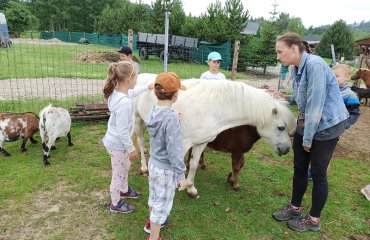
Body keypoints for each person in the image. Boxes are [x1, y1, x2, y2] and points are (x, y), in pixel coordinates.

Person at [273, 32, 349, 232]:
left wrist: (307, 139)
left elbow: (316, 105)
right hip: (308, 122)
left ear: (293, 48)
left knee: (317, 173)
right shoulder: (297, 67)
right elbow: (304, 98)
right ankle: (295, 207)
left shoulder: (314, 65)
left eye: (280, 52)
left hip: (326, 125)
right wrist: (284, 97)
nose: (278, 57)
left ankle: (314, 220)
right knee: (299, 168)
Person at [102, 61, 154, 213]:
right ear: (130, 79)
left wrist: (147, 87)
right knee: (118, 174)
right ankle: (115, 203)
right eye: (136, 77)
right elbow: (122, 132)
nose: (137, 80)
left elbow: (132, 92)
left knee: (126, 166)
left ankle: (124, 190)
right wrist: (131, 149)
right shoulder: (124, 103)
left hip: (117, 143)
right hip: (118, 144)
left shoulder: (118, 93)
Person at [143, 72, 189, 240]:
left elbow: (162, 118)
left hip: (153, 164)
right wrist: (181, 176)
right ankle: (154, 238)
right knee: (162, 205)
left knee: (154, 197)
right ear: (175, 95)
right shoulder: (171, 120)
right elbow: (175, 151)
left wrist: (172, 116)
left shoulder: (153, 111)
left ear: (156, 92)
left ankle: (150, 224)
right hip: (165, 170)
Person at [306, 64, 361, 179]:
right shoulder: (326, 90)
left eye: (336, 76)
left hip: (334, 131)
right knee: (313, 149)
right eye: (331, 76)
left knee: (325, 154)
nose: (332, 78)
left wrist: (345, 125)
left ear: (347, 77)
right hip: (320, 127)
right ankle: (311, 171)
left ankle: (321, 173)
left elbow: (355, 113)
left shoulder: (350, 95)